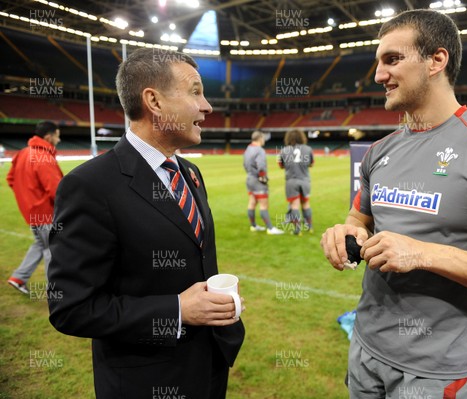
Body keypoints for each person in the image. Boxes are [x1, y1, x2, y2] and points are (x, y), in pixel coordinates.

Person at [320, 10, 467, 399]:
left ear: (437, 60)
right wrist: (346, 232)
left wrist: (423, 254)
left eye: (392, 59)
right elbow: (358, 218)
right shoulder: (379, 152)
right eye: (378, 63)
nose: (379, 76)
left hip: (436, 372)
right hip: (364, 349)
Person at [47, 48, 245, 399]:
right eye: (195, 92)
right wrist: (177, 311)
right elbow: (72, 308)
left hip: (210, 363)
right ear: (153, 101)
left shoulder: (190, 172)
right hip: (146, 379)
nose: (208, 106)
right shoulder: (90, 185)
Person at [6, 121, 62, 294]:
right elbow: (57, 190)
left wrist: (28, 199)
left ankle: (18, 277)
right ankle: (54, 292)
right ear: (48, 136)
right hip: (45, 213)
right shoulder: (43, 157)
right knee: (51, 250)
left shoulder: (22, 153)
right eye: (57, 135)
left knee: (41, 244)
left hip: (32, 213)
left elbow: (11, 179)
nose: (59, 140)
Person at [243, 130, 284, 234]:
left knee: (252, 202)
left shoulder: (248, 149)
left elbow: (244, 164)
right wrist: (263, 177)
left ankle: (253, 226)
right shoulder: (260, 150)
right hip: (258, 180)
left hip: (249, 179)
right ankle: (270, 228)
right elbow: (261, 166)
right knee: (263, 205)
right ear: (260, 138)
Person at [277, 129, 314, 235]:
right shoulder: (308, 149)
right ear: (302, 137)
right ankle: (309, 227)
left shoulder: (284, 150)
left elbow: (280, 165)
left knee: (294, 205)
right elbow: (311, 164)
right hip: (305, 180)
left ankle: (297, 230)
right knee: (306, 203)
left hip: (291, 181)